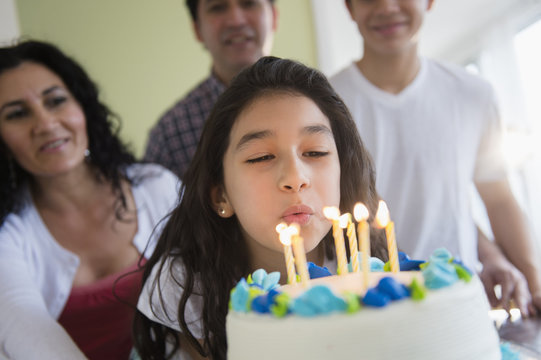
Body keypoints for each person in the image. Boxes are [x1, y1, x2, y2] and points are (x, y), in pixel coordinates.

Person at [133, 56, 388, 359]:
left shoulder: (368, 264)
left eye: (315, 151)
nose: (295, 178)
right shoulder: (189, 285)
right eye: (261, 157)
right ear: (221, 196)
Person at [329, 0, 541, 316]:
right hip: (365, 308)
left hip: (460, 301)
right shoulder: (326, 104)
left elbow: (498, 200)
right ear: (349, 8)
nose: (386, 7)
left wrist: (533, 285)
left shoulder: (473, 93)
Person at [0, 40, 180, 360]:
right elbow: (20, 321)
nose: (45, 123)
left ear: (83, 107)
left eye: (55, 101)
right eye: (17, 114)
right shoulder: (8, 236)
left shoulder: (158, 187)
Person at [144, 0, 278, 179]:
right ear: (197, 30)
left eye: (249, 3)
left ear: (274, 17)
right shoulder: (170, 136)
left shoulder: (321, 104)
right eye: (218, 7)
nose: (236, 20)